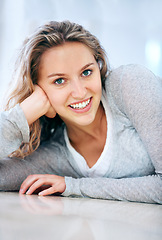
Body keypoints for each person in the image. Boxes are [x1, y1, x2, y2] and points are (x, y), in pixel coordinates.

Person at [0, 21, 161, 204]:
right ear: (38, 91)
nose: (80, 92)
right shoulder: (54, 157)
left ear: (98, 68)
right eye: (59, 81)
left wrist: (75, 187)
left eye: (86, 72)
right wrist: (23, 114)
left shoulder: (129, 85)